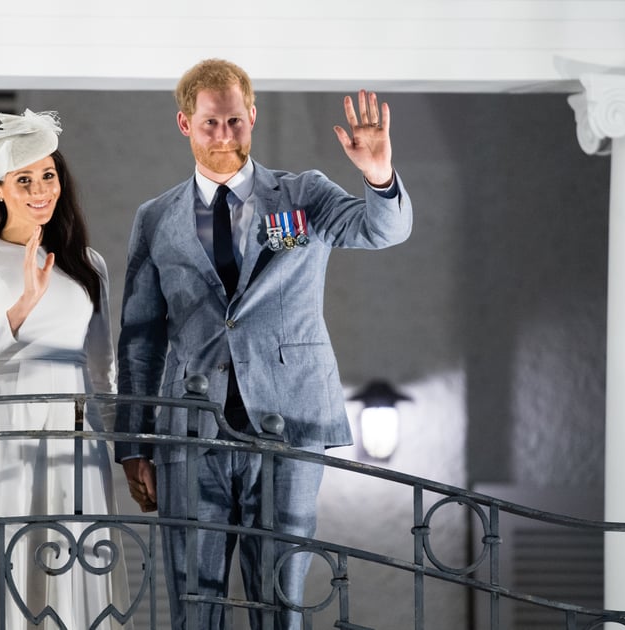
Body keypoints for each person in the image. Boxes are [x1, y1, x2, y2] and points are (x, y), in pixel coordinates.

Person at [115, 59, 413, 629]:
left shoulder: (305, 195)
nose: (224, 135)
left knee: (282, 603)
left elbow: (383, 230)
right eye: (209, 124)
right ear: (184, 124)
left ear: (253, 116)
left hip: (289, 423)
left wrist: (380, 176)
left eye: (235, 121)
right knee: (193, 605)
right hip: (188, 431)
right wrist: (134, 444)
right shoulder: (155, 219)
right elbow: (139, 340)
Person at [0, 110, 131, 630]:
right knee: (8, 554)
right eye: (24, 179)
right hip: (4, 433)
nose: (40, 189)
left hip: (76, 435)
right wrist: (23, 305)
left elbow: (101, 370)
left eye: (48, 176)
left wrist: (124, 455)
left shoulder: (86, 263)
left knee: (78, 554)